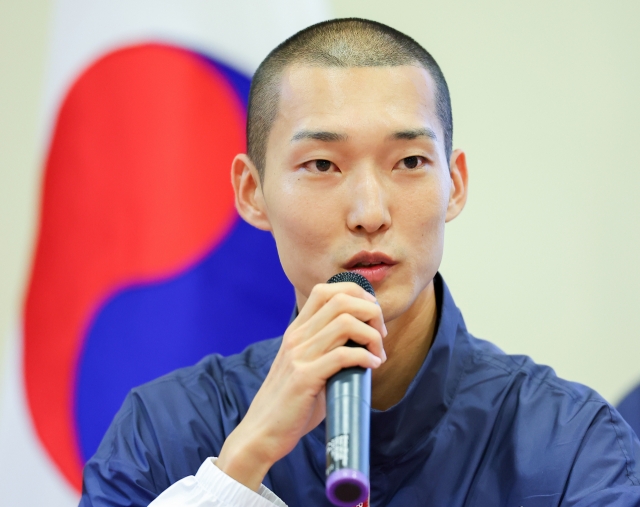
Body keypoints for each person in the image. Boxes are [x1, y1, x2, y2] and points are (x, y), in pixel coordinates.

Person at [80, 18, 640, 507]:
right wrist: (242, 463)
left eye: (411, 161)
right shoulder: (162, 431)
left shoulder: (570, 442)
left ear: (456, 185)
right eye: (323, 164)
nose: (370, 213)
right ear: (252, 192)